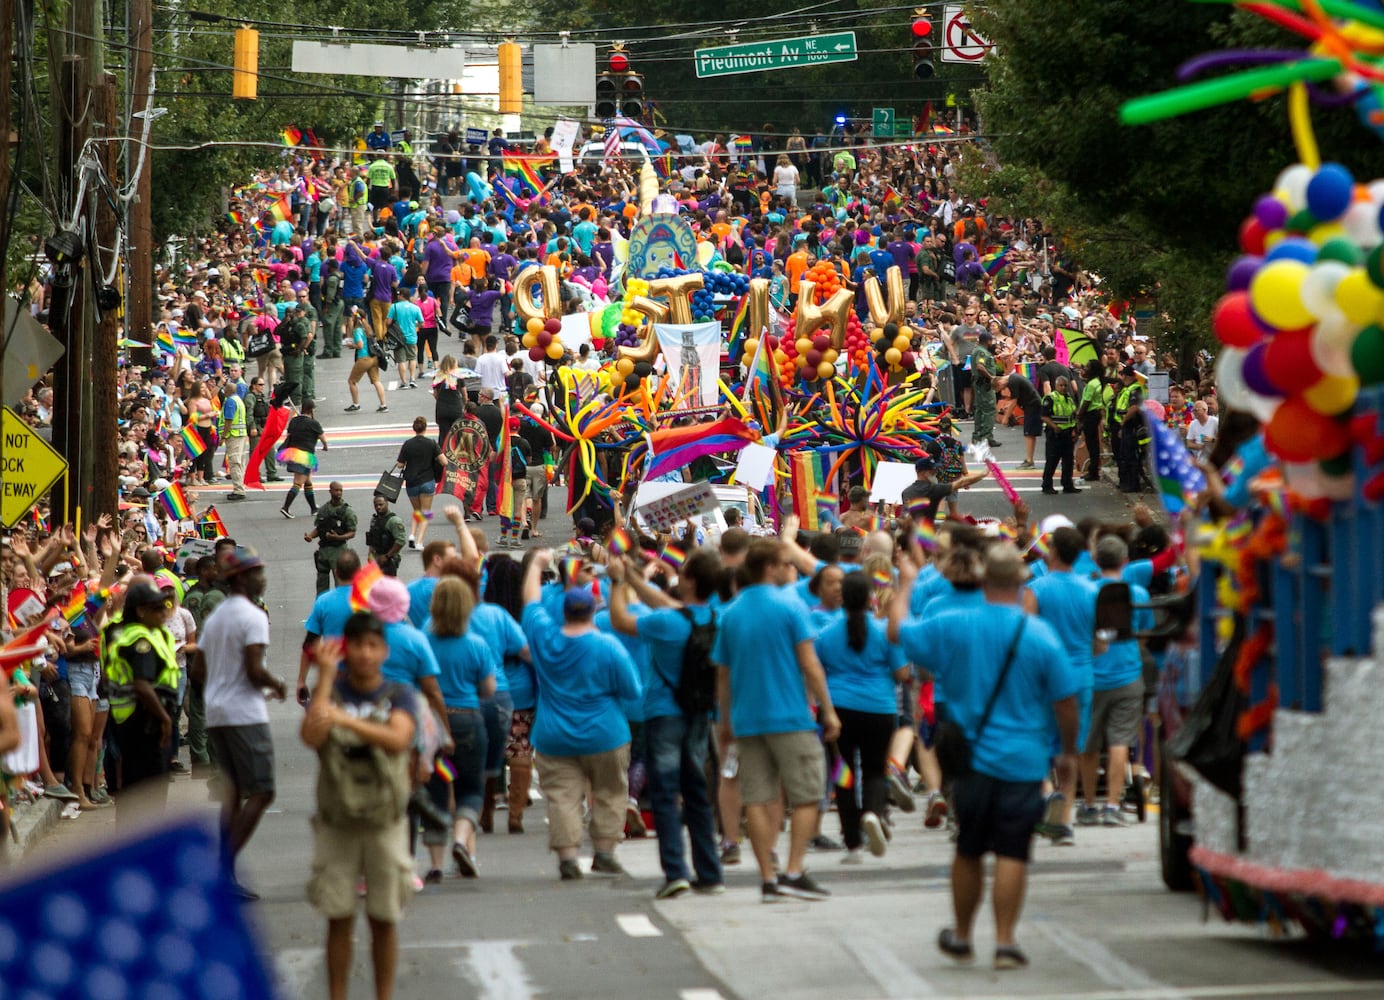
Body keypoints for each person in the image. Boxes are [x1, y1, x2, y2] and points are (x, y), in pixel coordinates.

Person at [892, 546, 1080, 971]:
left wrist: (904, 585)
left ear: (981, 579)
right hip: (1023, 761)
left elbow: (898, 632)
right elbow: (1066, 701)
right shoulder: (1039, 635)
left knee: (969, 849)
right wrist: (1067, 749)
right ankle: (1005, 941)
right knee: (1014, 852)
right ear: (1019, 582)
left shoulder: (951, 624)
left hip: (968, 761)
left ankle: (960, 934)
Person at [712, 535, 841, 902]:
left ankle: (768, 878)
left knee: (756, 797)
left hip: (747, 719)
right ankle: (794, 870)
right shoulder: (791, 607)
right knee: (806, 796)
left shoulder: (731, 613)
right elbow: (810, 663)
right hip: (790, 716)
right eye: (786, 563)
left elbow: (723, 675)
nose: (791, 569)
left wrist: (725, 722)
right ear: (769, 568)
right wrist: (827, 710)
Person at [302, 613, 418, 1000]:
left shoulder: (399, 694)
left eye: (373, 646)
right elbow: (312, 734)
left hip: (384, 819)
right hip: (338, 820)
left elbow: (399, 738)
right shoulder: (332, 693)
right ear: (345, 649)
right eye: (357, 646)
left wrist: (345, 722)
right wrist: (325, 680)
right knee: (338, 917)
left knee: (384, 918)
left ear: (384, 651)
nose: (365, 654)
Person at [606, 550, 725, 899]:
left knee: (665, 793)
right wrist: (633, 578)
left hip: (664, 712)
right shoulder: (720, 618)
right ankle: (710, 871)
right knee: (697, 793)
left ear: (687, 581)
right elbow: (665, 603)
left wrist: (617, 582)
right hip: (701, 714)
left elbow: (621, 621)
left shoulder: (666, 624)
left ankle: (675, 871)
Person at [520, 548, 642, 880]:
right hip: (606, 733)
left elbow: (530, 603)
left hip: (554, 733)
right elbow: (632, 691)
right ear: (592, 610)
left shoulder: (545, 638)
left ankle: (568, 858)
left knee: (562, 796)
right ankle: (604, 851)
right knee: (609, 792)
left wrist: (535, 565)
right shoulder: (609, 647)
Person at [198, 547, 286, 900]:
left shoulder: (217, 616)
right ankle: (220, 871)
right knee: (263, 790)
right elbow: (254, 669)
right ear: (241, 578)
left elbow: (198, 669)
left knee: (233, 795)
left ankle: (226, 875)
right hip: (243, 714)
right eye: (257, 572)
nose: (262, 578)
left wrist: (222, 683)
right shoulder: (252, 616)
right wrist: (276, 684)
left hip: (217, 713)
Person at [814, 573, 908, 862]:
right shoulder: (884, 633)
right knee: (875, 770)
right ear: (871, 598)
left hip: (838, 711)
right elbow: (903, 673)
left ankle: (852, 841)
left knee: (842, 774)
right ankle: (871, 812)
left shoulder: (826, 635)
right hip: (879, 710)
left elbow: (815, 673)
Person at [1023, 526, 1101, 846]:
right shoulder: (1092, 591)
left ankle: (1045, 794)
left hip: (1042, 676)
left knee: (1039, 742)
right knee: (1071, 747)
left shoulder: (1035, 588)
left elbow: (1026, 633)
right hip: (1080, 675)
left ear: (1052, 552)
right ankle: (1064, 818)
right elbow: (1103, 641)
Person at [423, 578, 498, 881]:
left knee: (435, 792)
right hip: (468, 720)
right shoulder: (477, 644)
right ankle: (461, 840)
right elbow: (489, 688)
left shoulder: (423, 640)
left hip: (433, 726)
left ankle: (437, 864)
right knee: (471, 789)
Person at [1083, 536, 1152, 827]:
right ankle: (1112, 804)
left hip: (1092, 675)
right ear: (1125, 561)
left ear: (1096, 561)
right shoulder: (1137, 593)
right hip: (1127, 672)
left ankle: (1087, 805)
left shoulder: (1085, 591)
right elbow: (1145, 632)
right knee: (1120, 739)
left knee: (1089, 743)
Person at [103, 578, 181, 820]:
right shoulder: (140, 640)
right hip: (144, 723)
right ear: (141, 611)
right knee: (149, 795)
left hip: (134, 722)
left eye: (165, 607)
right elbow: (142, 685)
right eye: (157, 608)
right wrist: (165, 719)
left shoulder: (142, 633)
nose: (163, 613)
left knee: (135, 791)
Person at [394, 416, 443, 549]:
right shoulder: (431, 443)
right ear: (425, 428)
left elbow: (399, 465)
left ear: (414, 428)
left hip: (411, 482)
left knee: (417, 511)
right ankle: (419, 541)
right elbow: (444, 461)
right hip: (427, 481)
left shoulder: (408, 444)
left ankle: (412, 534)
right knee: (426, 512)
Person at [304, 482, 358, 595]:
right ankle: (322, 607)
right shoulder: (324, 509)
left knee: (340, 582)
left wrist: (338, 537)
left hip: (338, 550)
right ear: (330, 491)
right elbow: (319, 528)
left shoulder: (347, 511)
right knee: (321, 583)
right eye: (336, 490)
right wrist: (310, 536)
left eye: (340, 490)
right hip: (324, 550)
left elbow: (352, 532)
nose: (338, 493)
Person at [280, 398, 328, 520]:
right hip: (305, 456)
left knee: (308, 481)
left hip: (292, 453)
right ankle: (285, 507)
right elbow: (323, 438)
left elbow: (288, 435)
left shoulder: (294, 421)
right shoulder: (314, 423)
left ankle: (313, 508)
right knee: (298, 483)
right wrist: (325, 447)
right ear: (311, 410)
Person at [901, 455, 985, 522]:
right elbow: (961, 483)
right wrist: (983, 474)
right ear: (922, 472)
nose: (936, 472)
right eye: (932, 470)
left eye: (937, 469)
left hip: (910, 535)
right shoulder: (933, 490)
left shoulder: (906, 492)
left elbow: (905, 516)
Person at [1040, 374, 1081, 495]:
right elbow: (1043, 416)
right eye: (1061, 385)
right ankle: (1047, 485)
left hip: (1067, 434)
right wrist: (1054, 426)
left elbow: (1073, 416)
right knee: (1052, 461)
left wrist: (1075, 430)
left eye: (1065, 385)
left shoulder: (1069, 398)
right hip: (1055, 434)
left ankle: (1067, 485)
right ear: (1055, 386)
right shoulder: (1050, 398)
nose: (1063, 388)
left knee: (1068, 461)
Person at [993, 370, 1041, 470]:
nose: (1003, 390)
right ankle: (1029, 459)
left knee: (1028, 433)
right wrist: (1007, 408)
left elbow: (1014, 400)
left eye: (1001, 388)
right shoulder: (1013, 378)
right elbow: (1016, 399)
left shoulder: (1012, 382)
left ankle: (1029, 461)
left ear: (1000, 382)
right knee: (1029, 433)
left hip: (1032, 405)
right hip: (1031, 404)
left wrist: (1006, 417)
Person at [345, 308, 389, 413]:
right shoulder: (367, 328)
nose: (351, 318)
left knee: (352, 381)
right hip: (373, 357)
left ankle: (356, 404)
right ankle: (383, 405)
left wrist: (351, 345)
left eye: (352, 316)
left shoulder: (357, 330)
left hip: (363, 358)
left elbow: (360, 345)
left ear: (355, 317)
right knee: (376, 381)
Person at [969, 331, 1003, 448]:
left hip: (980, 384)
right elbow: (980, 366)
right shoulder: (982, 352)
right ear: (988, 341)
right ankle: (986, 437)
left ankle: (978, 436)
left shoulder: (978, 350)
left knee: (980, 409)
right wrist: (991, 377)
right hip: (984, 384)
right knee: (989, 410)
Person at [1076, 359, 1106, 482]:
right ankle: (1093, 470)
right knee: (1092, 444)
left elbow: (1086, 402)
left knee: (1092, 444)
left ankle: (1093, 471)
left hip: (1090, 415)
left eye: (1088, 367)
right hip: (1094, 414)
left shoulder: (1092, 384)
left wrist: (1079, 415)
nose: (1085, 369)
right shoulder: (1095, 382)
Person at [221, 383, 251, 501]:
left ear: (228, 390)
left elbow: (228, 420)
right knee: (240, 461)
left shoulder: (230, 401)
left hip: (233, 435)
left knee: (235, 462)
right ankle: (241, 486)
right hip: (241, 434)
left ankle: (238, 489)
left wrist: (223, 436)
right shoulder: (239, 400)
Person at [366, 493, 408, 576]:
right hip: (377, 556)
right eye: (376, 505)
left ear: (387, 503)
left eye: (381, 504)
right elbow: (372, 538)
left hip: (390, 558)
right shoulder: (374, 520)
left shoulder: (394, 521)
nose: (378, 507)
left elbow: (401, 541)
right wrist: (370, 554)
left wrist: (387, 556)